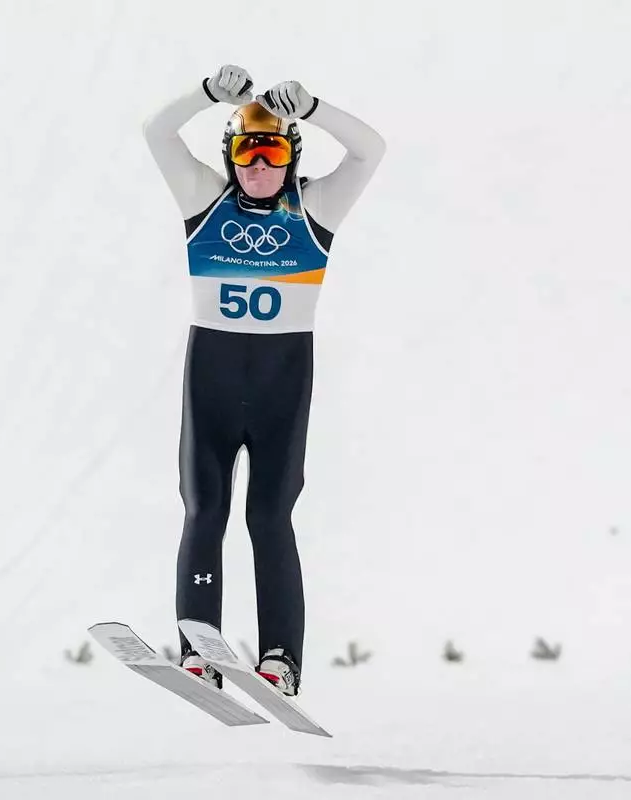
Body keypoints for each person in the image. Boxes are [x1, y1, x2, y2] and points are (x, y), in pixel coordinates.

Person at [142, 64, 385, 696]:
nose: (257, 164)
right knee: (205, 510)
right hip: (214, 378)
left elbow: (370, 150)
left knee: (270, 517)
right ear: (228, 156)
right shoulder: (203, 200)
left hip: (282, 381)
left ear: (291, 154)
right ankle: (199, 648)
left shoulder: (318, 207)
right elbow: (157, 133)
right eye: (246, 150)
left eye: (272, 149)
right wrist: (204, 96)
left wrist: (314, 107)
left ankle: (281, 659)